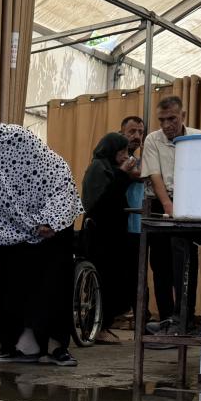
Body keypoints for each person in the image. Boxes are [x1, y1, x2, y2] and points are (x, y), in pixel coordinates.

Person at [0, 106, 83, 367]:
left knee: (53, 281)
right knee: (10, 279)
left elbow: (58, 174)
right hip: (11, 227)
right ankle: (23, 345)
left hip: (51, 216)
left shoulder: (17, 137)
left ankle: (56, 347)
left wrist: (50, 218)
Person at [142, 96, 201, 334]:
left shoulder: (199, 137)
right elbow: (154, 175)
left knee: (186, 260)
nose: (167, 125)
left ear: (183, 116)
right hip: (160, 202)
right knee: (160, 263)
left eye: (172, 119)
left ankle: (185, 317)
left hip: (189, 201)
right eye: (162, 120)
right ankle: (167, 317)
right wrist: (168, 205)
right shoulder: (153, 139)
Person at [82, 133, 136, 344]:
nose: (125, 156)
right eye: (122, 151)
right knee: (104, 283)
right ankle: (98, 328)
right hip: (101, 237)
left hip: (112, 236)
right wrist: (122, 173)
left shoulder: (108, 168)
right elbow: (103, 202)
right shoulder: (98, 168)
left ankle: (103, 326)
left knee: (114, 282)